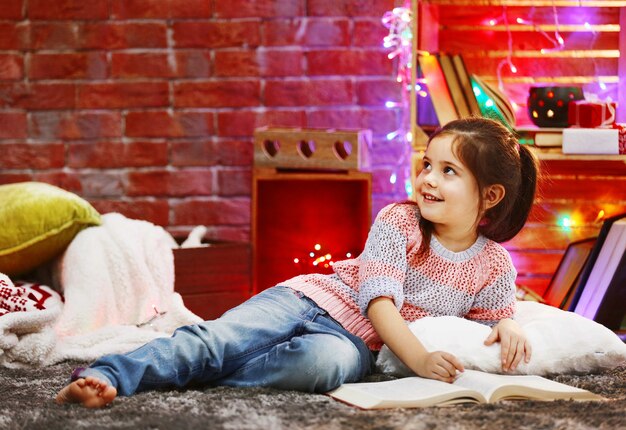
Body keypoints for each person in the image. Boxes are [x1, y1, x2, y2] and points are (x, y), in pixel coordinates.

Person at [56, 117, 538, 408]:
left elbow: (494, 315)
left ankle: (202, 372)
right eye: (427, 165)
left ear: (489, 195)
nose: (427, 179)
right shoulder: (400, 221)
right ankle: (109, 375)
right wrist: (419, 359)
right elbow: (378, 302)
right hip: (312, 298)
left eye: (448, 171)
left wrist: (511, 327)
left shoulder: (493, 265)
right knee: (220, 338)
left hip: (353, 346)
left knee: (320, 367)